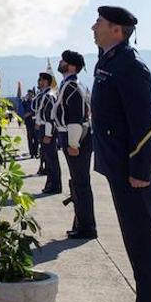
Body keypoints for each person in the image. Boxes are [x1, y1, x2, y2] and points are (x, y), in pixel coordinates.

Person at [90, 5, 151, 302]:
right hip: (120, 168)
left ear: (116, 30)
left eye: (99, 22)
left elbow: (144, 121)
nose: (93, 26)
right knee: (137, 246)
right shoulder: (110, 61)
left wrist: (140, 169)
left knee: (147, 246)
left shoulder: (130, 65)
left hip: (133, 172)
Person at [57, 50, 96, 239]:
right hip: (76, 137)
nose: (60, 62)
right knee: (79, 182)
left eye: (63, 61)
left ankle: (86, 227)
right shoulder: (72, 84)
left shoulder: (72, 86)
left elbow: (75, 117)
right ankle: (81, 223)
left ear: (71, 66)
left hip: (76, 138)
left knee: (80, 183)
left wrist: (73, 143)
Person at [34, 72, 62, 194]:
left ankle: (55, 185)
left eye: (40, 80)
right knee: (48, 159)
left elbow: (50, 117)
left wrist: (48, 134)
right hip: (44, 128)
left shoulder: (49, 96)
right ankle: (51, 184)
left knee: (51, 159)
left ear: (45, 82)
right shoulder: (45, 95)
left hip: (47, 129)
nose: (38, 82)